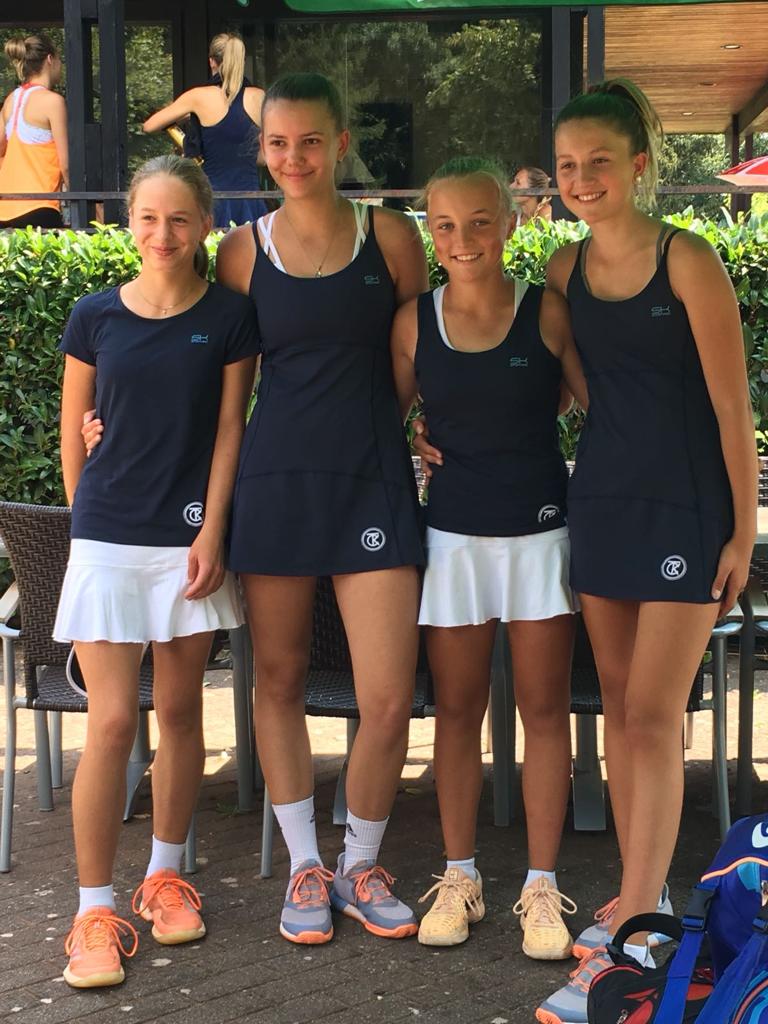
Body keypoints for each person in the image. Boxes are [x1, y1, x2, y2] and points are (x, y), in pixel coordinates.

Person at [535, 79, 757, 1024]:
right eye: (566, 165)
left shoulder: (689, 260)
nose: (581, 179)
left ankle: (634, 925)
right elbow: (564, 387)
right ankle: (646, 896)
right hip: (603, 505)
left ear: (637, 165)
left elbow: (733, 408)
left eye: (598, 162)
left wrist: (741, 529)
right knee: (624, 712)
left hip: (685, 511)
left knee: (654, 716)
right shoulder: (561, 270)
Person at [217, 71, 428, 945]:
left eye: (310, 141)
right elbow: (223, 392)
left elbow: (425, 353)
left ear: (340, 143)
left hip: (372, 481)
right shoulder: (239, 252)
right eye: (278, 143)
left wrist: (430, 427)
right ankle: (305, 863)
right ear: (262, 150)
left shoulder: (393, 236)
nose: (294, 157)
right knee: (276, 680)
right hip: (274, 486)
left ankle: (359, 865)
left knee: (387, 698)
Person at [55, 154, 260, 988]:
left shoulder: (231, 317)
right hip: (108, 538)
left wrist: (213, 529)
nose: (163, 234)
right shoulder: (93, 315)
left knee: (179, 712)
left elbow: (229, 431)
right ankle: (91, 911)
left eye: (179, 219)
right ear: (129, 222)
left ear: (204, 224)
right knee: (110, 723)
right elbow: (74, 428)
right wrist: (87, 527)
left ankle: (165, 877)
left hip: (187, 542)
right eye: (149, 217)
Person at [393, 156, 586, 955]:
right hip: (453, 540)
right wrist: (415, 435)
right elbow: (377, 418)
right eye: (445, 225)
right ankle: (460, 876)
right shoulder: (412, 321)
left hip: (540, 535)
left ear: (510, 222)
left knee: (544, 712)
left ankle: (541, 886)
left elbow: (596, 403)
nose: (463, 239)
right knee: (458, 712)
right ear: (430, 232)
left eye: (480, 221)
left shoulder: (548, 312)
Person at [142, 33, 266, 228]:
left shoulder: (198, 97)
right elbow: (263, 158)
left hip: (214, 200)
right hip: (251, 200)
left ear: (212, 62)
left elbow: (149, 126)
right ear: (241, 61)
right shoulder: (259, 97)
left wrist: (189, 115)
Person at [0, 33, 68, 228]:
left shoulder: (10, 100)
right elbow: (66, 164)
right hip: (39, 206)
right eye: (59, 59)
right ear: (50, 59)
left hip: (4, 208)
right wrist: (87, 206)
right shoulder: (53, 102)